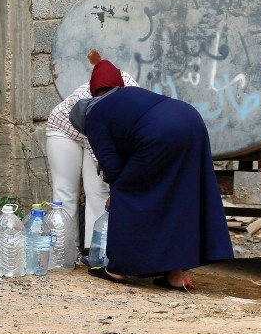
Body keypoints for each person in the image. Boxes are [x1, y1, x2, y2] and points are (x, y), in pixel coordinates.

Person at [70, 60, 233, 291]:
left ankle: (116, 269)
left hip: (161, 132)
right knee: (178, 196)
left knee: (127, 193)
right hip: (192, 121)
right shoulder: (128, 99)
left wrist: (117, 194)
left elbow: (112, 165)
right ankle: (175, 275)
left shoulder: (94, 116)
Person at [46, 68, 138, 252]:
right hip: (64, 130)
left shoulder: (131, 89)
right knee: (65, 192)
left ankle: (96, 250)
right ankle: (65, 251)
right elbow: (100, 150)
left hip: (96, 133)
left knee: (98, 190)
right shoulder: (84, 102)